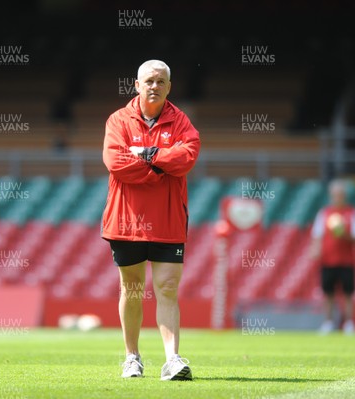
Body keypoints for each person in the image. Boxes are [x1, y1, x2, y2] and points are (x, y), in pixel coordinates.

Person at [101, 60, 201, 380]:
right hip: (126, 219)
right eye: (149, 81)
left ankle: (172, 360)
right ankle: (132, 357)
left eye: (161, 81)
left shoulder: (181, 121)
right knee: (131, 289)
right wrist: (161, 166)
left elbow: (187, 157)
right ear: (137, 85)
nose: (154, 86)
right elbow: (116, 162)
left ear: (169, 86)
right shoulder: (118, 120)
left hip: (168, 219)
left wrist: (147, 154)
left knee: (168, 288)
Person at [310, 179, 355, 335]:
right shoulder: (324, 213)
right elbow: (317, 235)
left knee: (348, 293)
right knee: (328, 293)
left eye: (339, 195)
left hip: (346, 260)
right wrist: (315, 250)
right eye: (334, 195)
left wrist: (343, 234)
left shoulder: (352, 213)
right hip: (328, 260)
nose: (337, 197)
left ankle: (349, 323)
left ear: (344, 195)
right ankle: (328, 323)